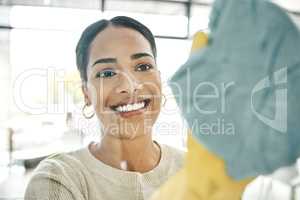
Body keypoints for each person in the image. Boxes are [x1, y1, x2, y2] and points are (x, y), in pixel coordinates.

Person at [25, 16, 184, 200]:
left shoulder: (195, 169)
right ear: (86, 93)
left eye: (143, 66)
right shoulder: (58, 179)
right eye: (107, 73)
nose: (130, 86)